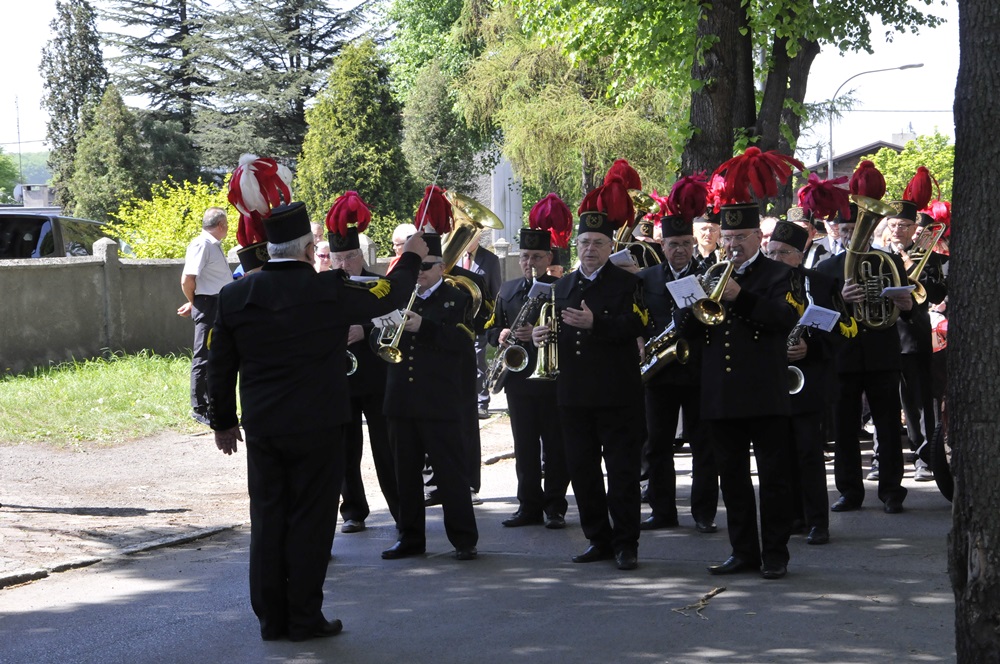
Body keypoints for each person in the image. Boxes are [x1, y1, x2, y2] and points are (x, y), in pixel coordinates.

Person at [207, 201, 427, 642]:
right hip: (318, 424)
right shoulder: (327, 289)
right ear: (310, 250)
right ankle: (304, 617)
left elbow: (219, 364)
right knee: (310, 519)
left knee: (268, 519)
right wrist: (413, 255)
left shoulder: (235, 294)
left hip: (265, 427)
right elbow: (389, 293)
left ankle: (271, 620)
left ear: (271, 249)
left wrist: (224, 422)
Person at [531, 175, 647, 571]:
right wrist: (543, 335)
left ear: (610, 246)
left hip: (616, 392)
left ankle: (626, 542)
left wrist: (597, 323)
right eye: (584, 243)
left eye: (598, 243)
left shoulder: (629, 283)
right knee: (581, 469)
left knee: (621, 471)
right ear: (575, 247)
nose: (590, 249)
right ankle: (598, 538)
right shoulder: (561, 285)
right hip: (573, 393)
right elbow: (555, 329)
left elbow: (638, 326)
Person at [701, 148, 803, 580]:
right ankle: (743, 551)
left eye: (739, 239)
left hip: (764, 391)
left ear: (757, 239)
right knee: (733, 479)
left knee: (774, 478)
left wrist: (740, 297)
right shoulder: (710, 273)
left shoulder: (779, 275)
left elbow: (785, 318)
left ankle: (775, 553)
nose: (731, 245)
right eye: (726, 239)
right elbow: (691, 329)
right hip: (721, 394)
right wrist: (689, 307)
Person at [381, 187, 479, 561]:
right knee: (405, 475)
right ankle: (410, 538)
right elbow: (379, 335)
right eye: (415, 266)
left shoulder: (457, 296)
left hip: (439, 399)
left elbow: (463, 340)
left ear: (441, 266)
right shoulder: (397, 293)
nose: (419, 274)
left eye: (425, 267)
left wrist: (424, 326)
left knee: (450, 472)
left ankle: (463, 538)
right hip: (401, 399)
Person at [816, 201, 913, 514]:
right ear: (837, 231)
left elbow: (903, 304)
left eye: (858, 229)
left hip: (881, 353)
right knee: (844, 427)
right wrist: (840, 300)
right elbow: (819, 316)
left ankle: (891, 491)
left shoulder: (887, 260)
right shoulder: (827, 268)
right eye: (846, 230)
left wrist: (907, 306)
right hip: (843, 357)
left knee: (887, 425)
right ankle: (849, 491)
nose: (851, 235)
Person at [637, 180, 718, 535]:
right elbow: (636, 314)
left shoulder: (708, 277)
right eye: (673, 244)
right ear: (663, 245)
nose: (680, 250)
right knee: (657, 445)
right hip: (659, 372)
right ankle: (663, 510)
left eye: (686, 243)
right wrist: (639, 339)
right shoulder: (645, 277)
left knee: (704, 446)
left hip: (699, 371)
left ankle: (703, 513)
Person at [488, 194, 571, 529]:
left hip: (551, 378)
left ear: (549, 257)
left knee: (555, 445)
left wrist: (543, 333)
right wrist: (503, 335)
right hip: (519, 379)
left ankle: (555, 506)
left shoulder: (561, 288)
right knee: (523, 446)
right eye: (524, 257)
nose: (529, 262)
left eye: (536, 256)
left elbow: (569, 329)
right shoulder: (508, 290)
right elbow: (491, 329)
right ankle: (528, 506)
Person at [765, 220, 848, 545]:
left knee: (808, 453)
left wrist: (810, 347)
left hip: (807, 381)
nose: (775, 257)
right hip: (771, 381)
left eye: (783, 252)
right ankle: (792, 517)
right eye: (771, 251)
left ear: (800, 255)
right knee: (778, 455)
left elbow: (841, 331)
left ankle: (817, 522)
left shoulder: (822, 283)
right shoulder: (756, 284)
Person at [326, 192, 398, 534]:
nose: (344, 265)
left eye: (350, 257)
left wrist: (364, 328)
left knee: (386, 448)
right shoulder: (324, 289)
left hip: (376, 376)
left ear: (361, 255)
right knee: (345, 449)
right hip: (340, 381)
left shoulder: (380, 285)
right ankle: (353, 509)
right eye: (337, 258)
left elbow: (396, 321)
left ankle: (401, 509)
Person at [884, 178, 948, 482]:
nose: (898, 230)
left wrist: (911, 264)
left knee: (920, 400)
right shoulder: (878, 257)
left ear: (914, 229)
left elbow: (935, 294)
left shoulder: (931, 257)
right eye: (893, 225)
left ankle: (926, 456)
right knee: (890, 402)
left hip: (914, 335)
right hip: (883, 335)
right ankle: (889, 456)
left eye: (904, 226)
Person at [178, 207, 232, 425]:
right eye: (226, 224)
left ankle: (211, 405)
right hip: (208, 305)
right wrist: (195, 302)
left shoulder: (212, 245)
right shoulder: (202, 244)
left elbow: (205, 281)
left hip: (215, 303)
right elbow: (187, 279)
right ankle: (199, 408)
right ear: (220, 225)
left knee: (215, 356)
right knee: (203, 357)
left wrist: (195, 301)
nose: (228, 228)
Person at [460, 234, 502, 418]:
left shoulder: (490, 259)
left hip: (480, 319)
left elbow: (496, 290)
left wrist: (493, 319)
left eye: (471, 236)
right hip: (458, 318)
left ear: (478, 238)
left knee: (478, 360)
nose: (468, 241)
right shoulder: (453, 255)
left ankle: (481, 402)